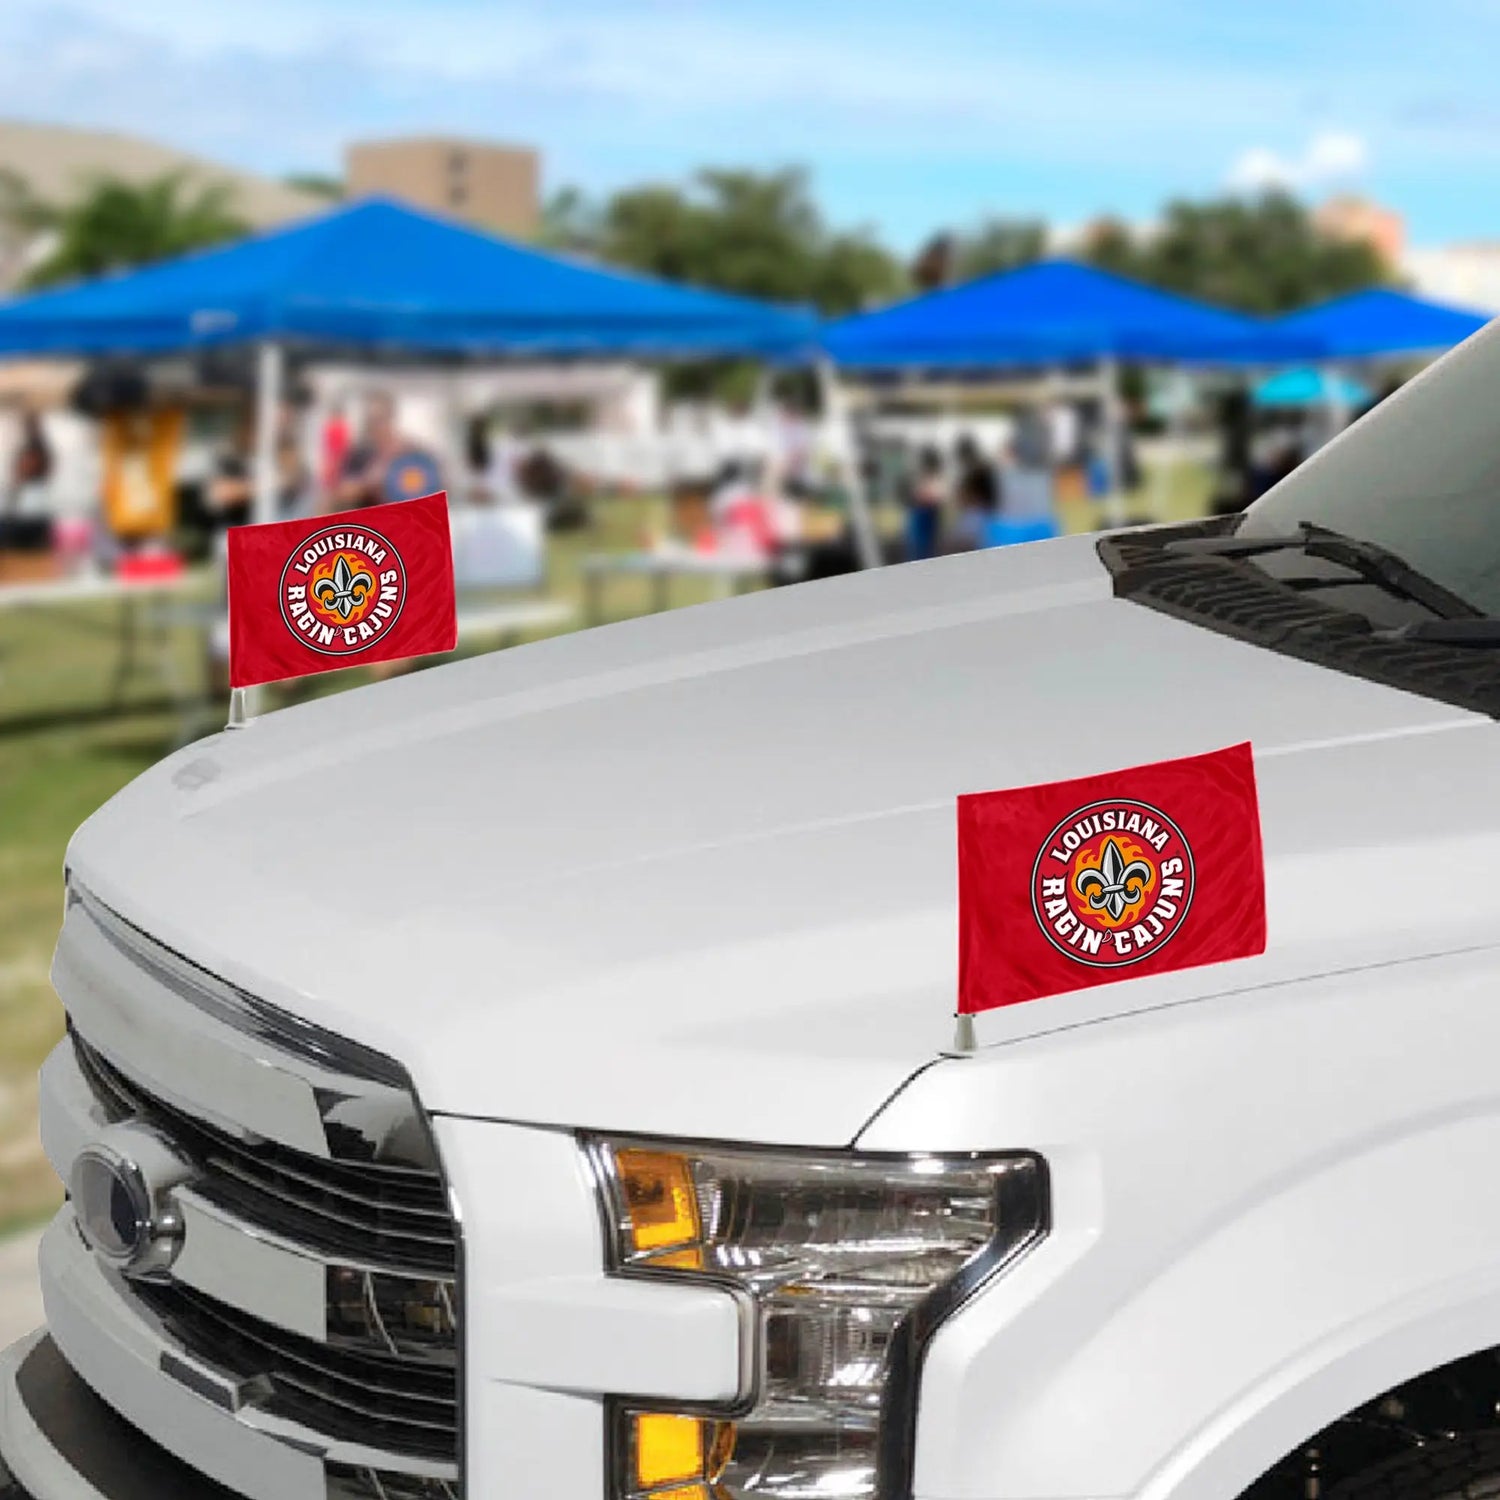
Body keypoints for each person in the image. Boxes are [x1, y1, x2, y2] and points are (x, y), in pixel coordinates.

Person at [335, 393, 438, 510]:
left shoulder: (412, 451)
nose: (376, 426)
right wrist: (369, 481)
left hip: (407, 515)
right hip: (373, 515)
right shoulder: (360, 454)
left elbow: (435, 485)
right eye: (371, 420)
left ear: (391, 418)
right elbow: (343, 492)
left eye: (381, 419)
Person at [904, 446, 946, 562]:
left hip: (928, 515)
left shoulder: (934, 479)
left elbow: (933, 498)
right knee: (920, 548)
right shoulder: (923, 479)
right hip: (922, 515)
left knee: (926, 548)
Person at [8, 410, 53, 516]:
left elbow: (30, 465)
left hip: (33, 492)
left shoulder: (36, 446)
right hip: (31, 491)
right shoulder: (32, 444)